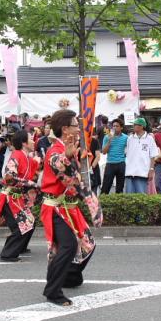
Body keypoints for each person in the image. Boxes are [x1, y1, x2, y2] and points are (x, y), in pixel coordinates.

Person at [40, 109, 103, 306]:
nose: (78, 129)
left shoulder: (66, 148)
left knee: (87, 243)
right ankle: (53, 291)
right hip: (56, 208)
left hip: (69, 207)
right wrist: (67, 158)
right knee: (67, 246)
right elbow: (59, 166)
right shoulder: (55, 151)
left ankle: (70, 277)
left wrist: (72, 157)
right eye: (76, 125)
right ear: (65, 128)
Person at [0, 129, 40, 261]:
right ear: (23, 143)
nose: (33, 141)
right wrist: (31, 183)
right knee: (20, 227)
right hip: (10, 197)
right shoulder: (17, 156)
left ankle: (20, 247)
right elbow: (9, 177)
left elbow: (36, 169)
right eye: (30, 138)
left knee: (30, 223)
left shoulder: (25, 157)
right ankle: (8, 254)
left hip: (17, 197)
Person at [124, 117, 158, 194]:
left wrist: (151, 169)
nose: (134, 126)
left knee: (141, 196)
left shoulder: (149, 138)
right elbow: (127, 153)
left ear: (142, 126)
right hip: (130, 172)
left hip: (143, 172)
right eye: (134, 124)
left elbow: (153, 156)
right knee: (129, 196)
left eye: (136, 125)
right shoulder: (130, 138)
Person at [100, 118, 127, 194]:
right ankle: (102, 204)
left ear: (121, 127)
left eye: (117, 126)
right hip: (110, 163)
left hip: (121, 163)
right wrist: (109, 141)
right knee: (105, 187)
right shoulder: (107, 137)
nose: (115, 128)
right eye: (113, 126)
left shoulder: (126, 138)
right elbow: (104, 152)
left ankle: (118, 204)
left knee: (120, 188)